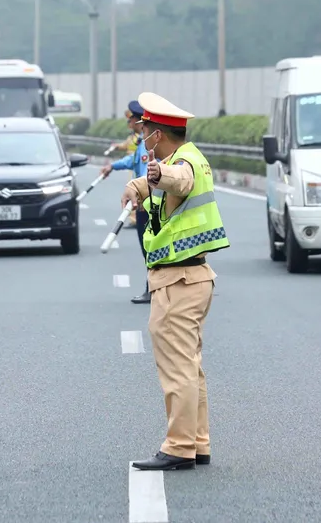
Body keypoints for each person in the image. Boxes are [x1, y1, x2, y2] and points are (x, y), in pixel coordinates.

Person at [121, 92, 230, 472]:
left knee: (178, 368)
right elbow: (169, 180)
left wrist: (156, 175)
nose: (142, 136)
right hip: (192, 277)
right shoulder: (189, 156)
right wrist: (139, 186)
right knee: (190, 367)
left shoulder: (180, 165)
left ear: (158, 135)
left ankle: (180, 447)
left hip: (179, 281)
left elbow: (178, 181)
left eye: (146, 130)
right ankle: (197, 442)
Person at [99, 100, 151, 303]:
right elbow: (133, 161)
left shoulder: (146, 142)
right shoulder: (141, 141)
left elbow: (147, 173)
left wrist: (137, 191)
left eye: (131, 119)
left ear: (138, 121)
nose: (129, 122)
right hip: (143, 202)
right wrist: (113, 166)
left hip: (147, 204)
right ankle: (154, 288)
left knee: (150, 248)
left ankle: (153, 289)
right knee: (147, 249)